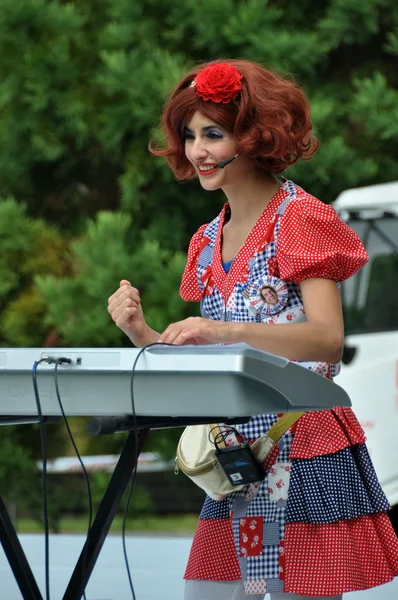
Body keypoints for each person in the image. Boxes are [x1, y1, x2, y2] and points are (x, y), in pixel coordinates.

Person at [107, 60, 398, 600]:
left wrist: (218, 330)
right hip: (237, 453)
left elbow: (327, 338)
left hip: (302, 440)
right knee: (206, 593)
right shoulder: (206, 239)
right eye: (190, 135)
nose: (197, 150)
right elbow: (204, 360)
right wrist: (143, 335)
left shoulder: (300, 218)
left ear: (254, 134)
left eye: (213, 134)